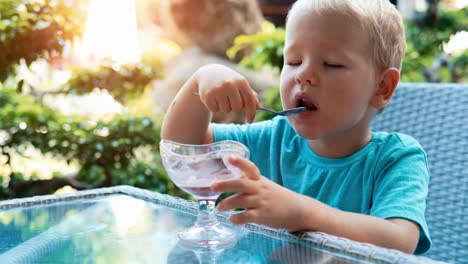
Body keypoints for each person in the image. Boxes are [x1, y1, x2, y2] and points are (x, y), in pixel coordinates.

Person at [161, 0, 431, 255]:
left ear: (382, 87)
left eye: (331, 64)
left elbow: (401, 240)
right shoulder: (273, 139)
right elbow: (186, 149)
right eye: (293, 61)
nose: (303, 74)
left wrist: (303, 213)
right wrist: (199, 81)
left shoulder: (396, 159)